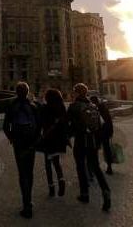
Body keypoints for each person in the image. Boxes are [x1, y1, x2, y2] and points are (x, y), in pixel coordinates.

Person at [67, 83, 111, 212]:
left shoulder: (74, 107)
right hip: (92, 141)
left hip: (81, 141)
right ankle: (106, 190)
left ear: (76, 93)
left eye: (74, 92)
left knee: (80, 166)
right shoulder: (93, 106)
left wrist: (68, 136)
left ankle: (84, 194)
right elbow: (99, 124)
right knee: (96, 167)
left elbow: (68, 124)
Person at [3, 82, 41, 219]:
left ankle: (26, 204)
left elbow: (5, 126)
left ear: (16, 92)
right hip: (30, 142)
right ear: (27, 92)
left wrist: (12, 138)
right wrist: (35, 141)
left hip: (18, 143)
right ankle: (28, 201)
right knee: (29, 172)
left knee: (22, 172)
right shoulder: (33, 106)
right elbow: (39, 128)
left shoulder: (12, 106)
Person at [38, 88, 68, 197]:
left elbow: (40, 122)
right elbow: (65, 123)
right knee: (56, 162)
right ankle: (61, 180)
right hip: (59, 139)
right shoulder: (62, 107)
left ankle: (51, 188)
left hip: (48, 138)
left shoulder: (45, 108)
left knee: (48, 164)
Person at [90, 95, 114, 174]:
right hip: (106, 132)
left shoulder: (94, 109)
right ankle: (109, 167)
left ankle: (95, 167)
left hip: (98, 132)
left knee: (95, 149)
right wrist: (111, 132)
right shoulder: (104, 107)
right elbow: (109, 120)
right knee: (107, 149)